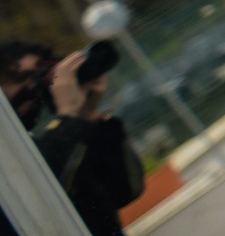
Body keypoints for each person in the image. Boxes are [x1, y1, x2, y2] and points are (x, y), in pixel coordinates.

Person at [1, 39, 144, 236]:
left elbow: (125, 191)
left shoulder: (56, 142)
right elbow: (41, 188)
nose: (32, 86)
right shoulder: (12, 155)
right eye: (20, 77)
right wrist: (68, 116)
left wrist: (88, 117)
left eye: (40, 75)